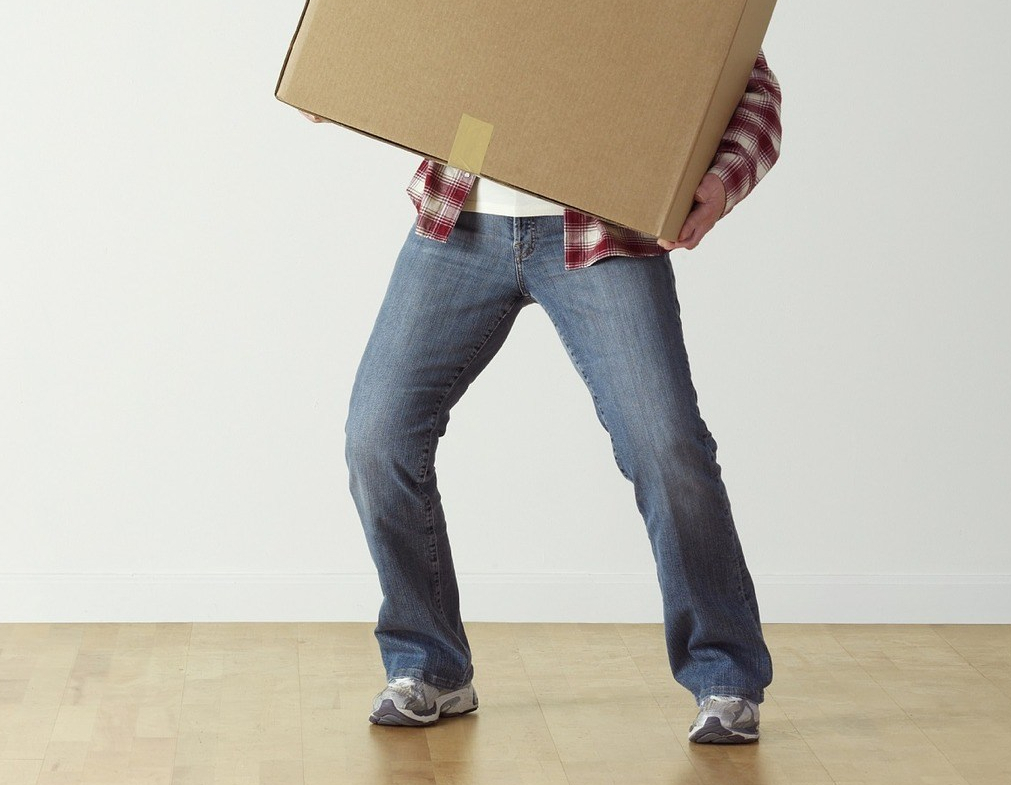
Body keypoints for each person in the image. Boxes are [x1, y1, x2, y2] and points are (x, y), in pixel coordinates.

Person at [301, 51, 781, 747]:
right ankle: (429, 666)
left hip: (600, 226)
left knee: (664, 444)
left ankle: (725, 676)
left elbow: (750, 83)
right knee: (376, 438)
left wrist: (720, 180)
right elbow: (395, 24)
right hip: (460, 220)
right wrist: (349, 76)